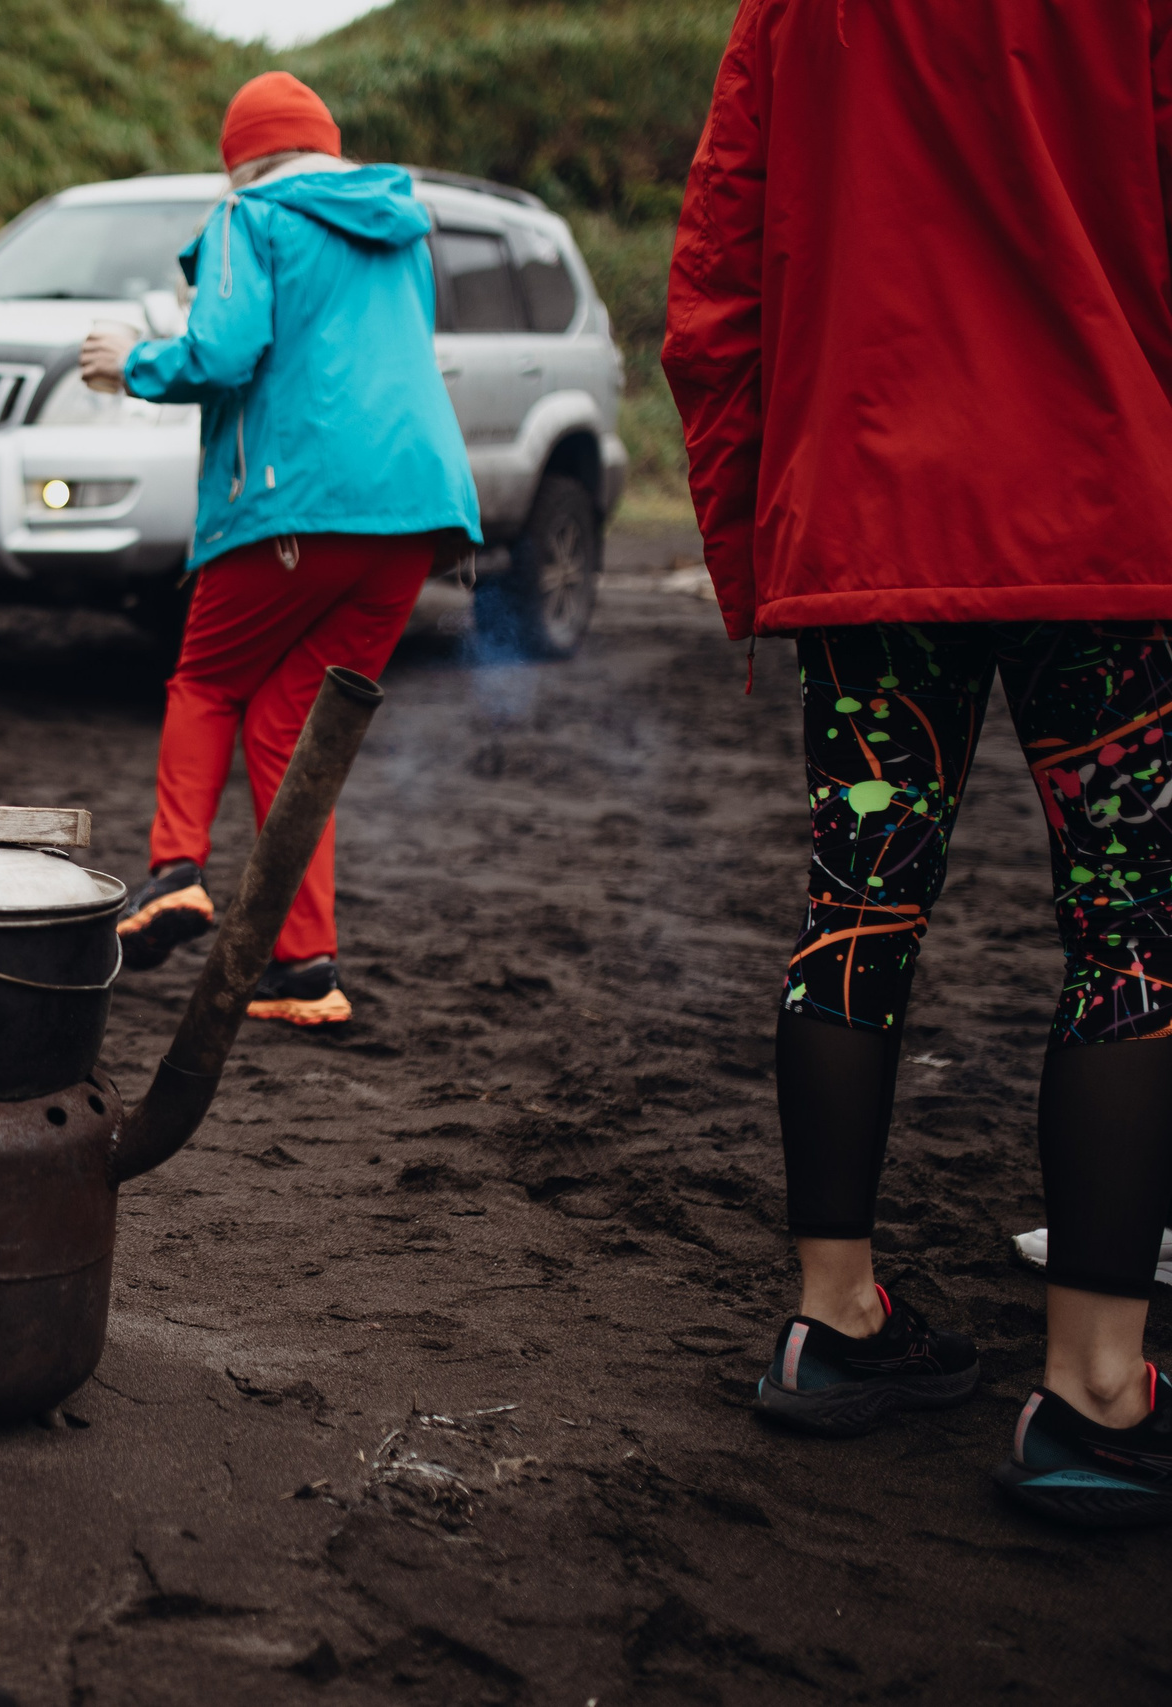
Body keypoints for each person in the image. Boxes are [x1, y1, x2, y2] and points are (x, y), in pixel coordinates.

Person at [665, 1, 1172, 1526]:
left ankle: (835, 1321)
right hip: (1109, 510)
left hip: (867, 515)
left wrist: (763, 545)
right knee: (1129, 929)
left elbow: (713, 301)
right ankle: (1096, 1388)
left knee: (860, 904)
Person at [79, 71, 478, 1027]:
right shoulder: (402, 229)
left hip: (296, 502)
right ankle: (305, 970)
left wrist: (129, 363)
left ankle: (175, 870)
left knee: (205, 683)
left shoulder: (247, 216)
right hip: (418, 513)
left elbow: (224, 352)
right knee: (291, 733)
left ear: (241, 160)